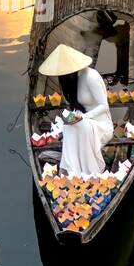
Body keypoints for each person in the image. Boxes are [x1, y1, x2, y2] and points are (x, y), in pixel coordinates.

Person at [38, 43, 113, 177]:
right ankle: (73, 171)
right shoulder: (74, 79)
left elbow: (104, 106)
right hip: (85, 123)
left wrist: (84, 117)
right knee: (68, 126)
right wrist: (76, 118)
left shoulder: (91, 76)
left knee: (79, 124)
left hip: (101, 127)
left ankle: (89, 172)